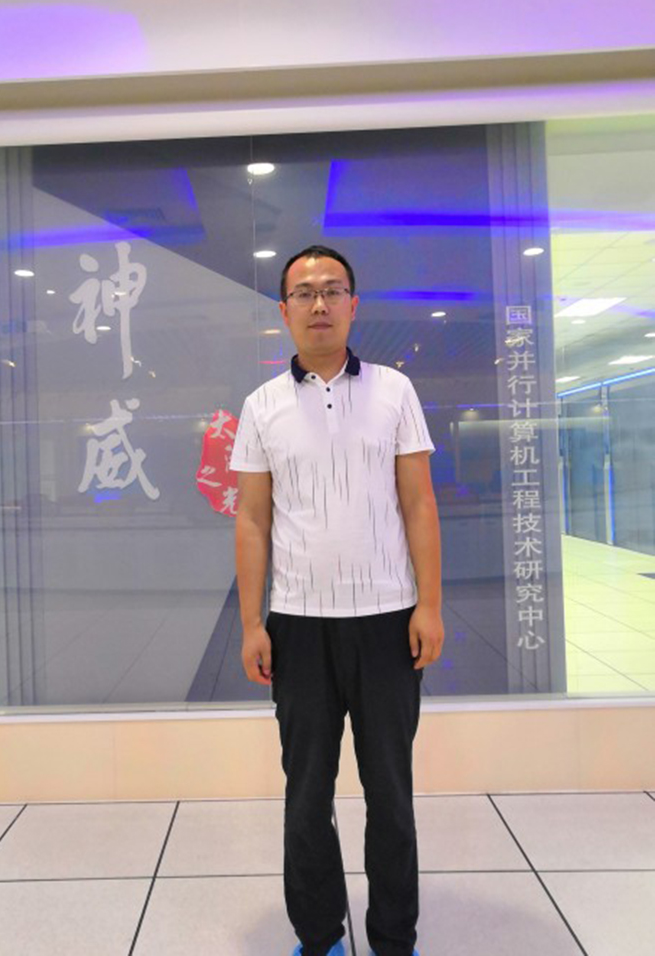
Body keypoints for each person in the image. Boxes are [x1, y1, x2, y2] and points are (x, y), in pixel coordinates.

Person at [230, 245, 444, 956]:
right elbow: (252, 519)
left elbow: (419, 504)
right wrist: (252, 624)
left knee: (391, 797)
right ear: (283, 311)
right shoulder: (261, 405)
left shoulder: (394, 391)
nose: (318, 304)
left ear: (354, 304)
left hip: (388, 620)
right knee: (305, 798)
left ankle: (394, 939)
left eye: (332, 290)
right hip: (298, 627)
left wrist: (429, 605)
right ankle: (318, 936)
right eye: (304, 293)